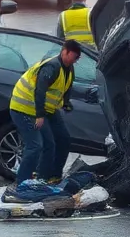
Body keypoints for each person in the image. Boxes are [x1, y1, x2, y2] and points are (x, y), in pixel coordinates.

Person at [8, 40, 81, 185]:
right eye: (74, 56)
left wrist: (66, 103)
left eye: (77, 58)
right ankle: (24, 182)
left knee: (63, 139)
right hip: (25, 108)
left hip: (47, 109)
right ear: (65, 51)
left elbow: (66, 86)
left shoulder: (69, 68)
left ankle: (52, 176)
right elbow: (39, 91)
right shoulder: (51, 67)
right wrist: (40, 116)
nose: (75, 60)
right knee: (37, 145)